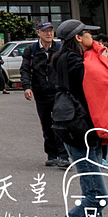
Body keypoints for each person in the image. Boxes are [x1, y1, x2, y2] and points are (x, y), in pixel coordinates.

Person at [50, 18, 108, 217]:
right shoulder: (75, 61)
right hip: (81, 131)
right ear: (78, 38)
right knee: (98, 196)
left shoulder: (63, 58)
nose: (95, 38)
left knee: (91, 193)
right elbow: (100, 85)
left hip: (75, 129)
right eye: (88, 34)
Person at [21, 21, 68, 169]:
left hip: (58, 92)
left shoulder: (60, 48)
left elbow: (67, 68)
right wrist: (27, 87)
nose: (49, 33)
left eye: (51, 31)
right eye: (45, 31)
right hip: (41, 93)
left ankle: (64, 156)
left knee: (60, 123)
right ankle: (51, 155)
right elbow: (25, 70)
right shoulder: (32, 50)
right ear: (38, 33)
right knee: (47, 124)